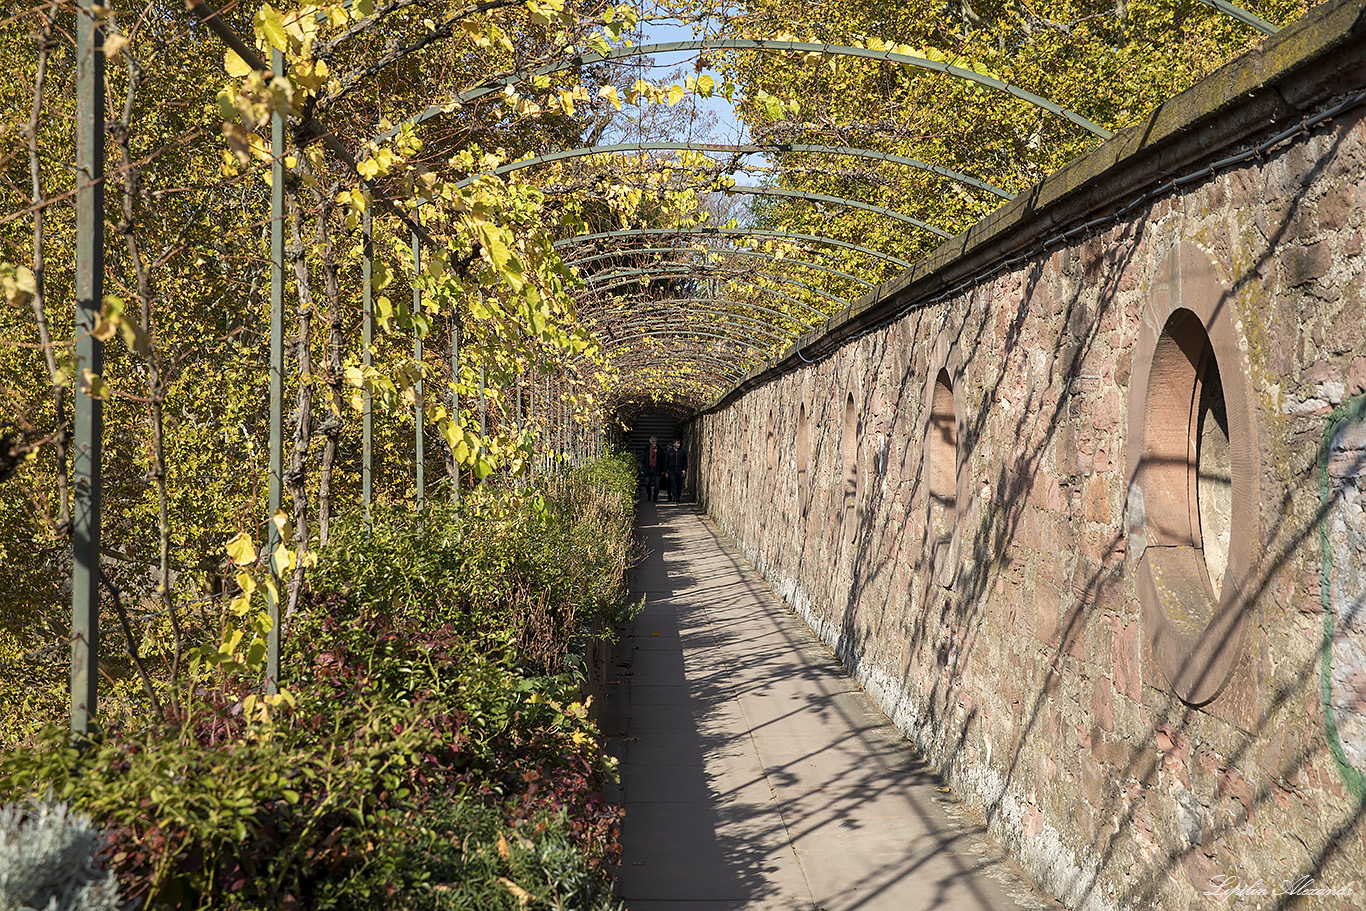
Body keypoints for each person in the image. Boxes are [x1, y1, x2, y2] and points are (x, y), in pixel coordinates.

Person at [664, 438, 687, 503]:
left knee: (679, 484)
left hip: (679, 470)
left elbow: (685, 461)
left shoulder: (682, 451)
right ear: (674, 444)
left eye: (679, 443)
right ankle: (675, 498)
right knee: (673, 484)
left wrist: (684, 469)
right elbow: (666, 462)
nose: (679, 445)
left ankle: (678, 496)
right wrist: (666, 471)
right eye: (677, 443)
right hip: (672, 470)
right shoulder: (670, 452)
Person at [641, 437, 662, 503]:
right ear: (650, 442)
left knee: (657, 484)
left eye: (656, 442)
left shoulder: (660, 450)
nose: (655, 443)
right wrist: (642, 469)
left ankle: (655, 497)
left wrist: (663, 470)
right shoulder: (646, 450)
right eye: (654, 442)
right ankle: (649, 494)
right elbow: (643, 460)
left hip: (656, 468)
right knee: (647, 483)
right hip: (648, 468)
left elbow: (662, 460)